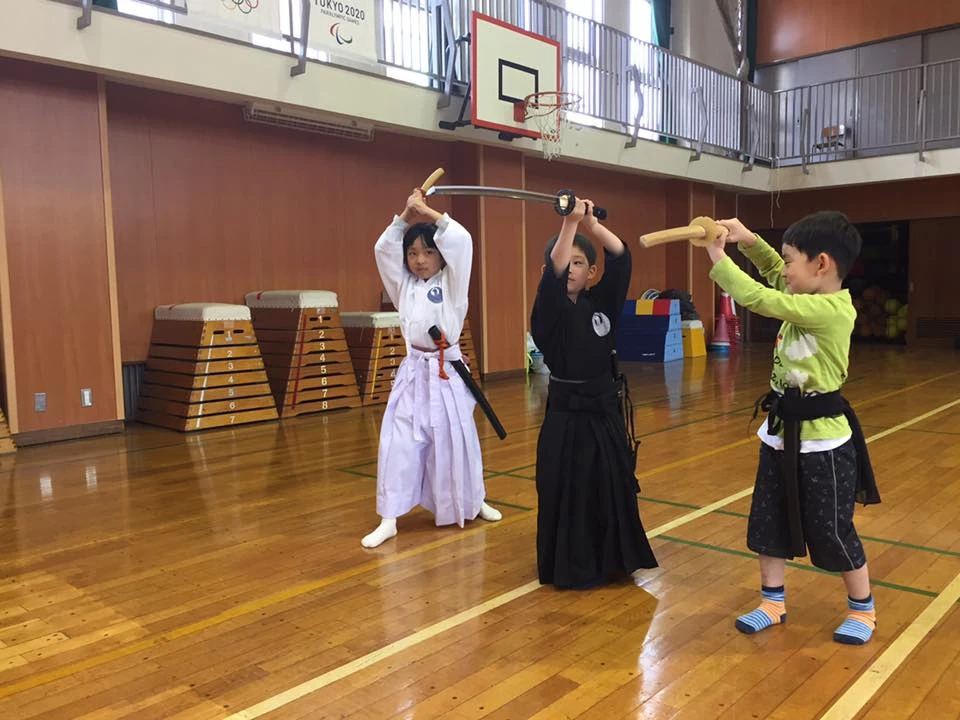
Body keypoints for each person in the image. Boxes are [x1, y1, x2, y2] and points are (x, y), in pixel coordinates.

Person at [706, 211, 881, 645]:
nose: (782, 270)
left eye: (789, 260)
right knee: (769, 519)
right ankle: (772, 601)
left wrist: (716, 255)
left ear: (821, 264)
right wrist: (747, 239)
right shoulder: (807, 287)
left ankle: (863, 609)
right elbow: (769, 272)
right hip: (782, 430)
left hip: (823, 439)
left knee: (832, 526)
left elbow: (760, 298)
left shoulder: (830, 310)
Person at [361, 188, 501, 549]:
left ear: (441, 256)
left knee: (457, 440)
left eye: (427, 252)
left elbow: (463, 240)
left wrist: (428, 211)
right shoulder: (403, 285)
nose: (419, 260)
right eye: (412, 253)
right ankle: (389, 517)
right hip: (414, 372)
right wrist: (406, 216)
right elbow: (382, 250)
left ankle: (473, 501)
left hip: (448, 372)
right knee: (399, 441)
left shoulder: (453, 285)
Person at [530, 197, 658, 589]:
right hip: (566, 418)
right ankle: (571, 565)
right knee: (566, 488)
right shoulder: (547, 311)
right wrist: (569, 226)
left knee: (610, 485)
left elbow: (621, 256)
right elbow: (555, 272)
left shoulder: (601, 303)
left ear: (592, 271)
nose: (572, 268)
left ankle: (613, 561)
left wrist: (589, 224)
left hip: (604, 413)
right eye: (566, 261)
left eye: (581, 263)